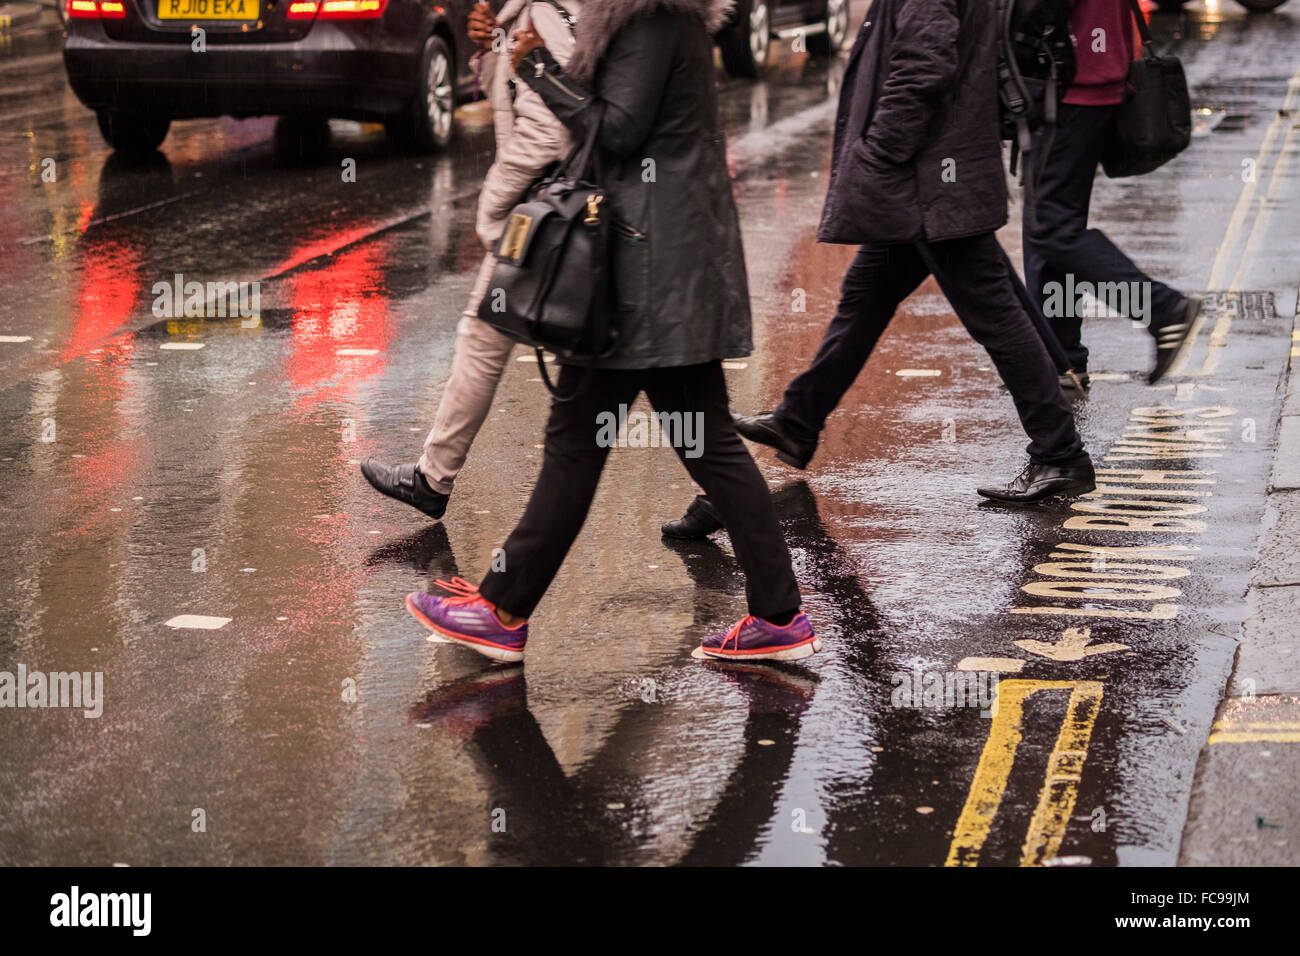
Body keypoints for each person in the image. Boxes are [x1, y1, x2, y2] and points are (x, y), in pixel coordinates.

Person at [404, 0, 819, 664]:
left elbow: (617, 130)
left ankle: (503, 611)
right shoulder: (647, 18)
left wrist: (532, 63)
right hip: (656, 265)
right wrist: (523, 52)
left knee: (579, 445)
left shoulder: (652, 17)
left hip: (643, 275)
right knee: (701, 443)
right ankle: (778, 616)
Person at [711, 0, 1097, 508]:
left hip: (929, 179)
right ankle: (798, 420)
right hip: (932, 177)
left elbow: (925, 64)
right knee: (865, 298)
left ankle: (1061, 454)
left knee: (995, 316)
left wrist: (881, 152)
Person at [360, 0, 582, 519]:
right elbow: (517, 91)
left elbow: (551, 127)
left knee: (632, 377)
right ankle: (433, 480)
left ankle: (435, 482)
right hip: (552, 210)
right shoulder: (525, 11)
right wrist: (490, 48)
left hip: (544, 214)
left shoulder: (544, 11)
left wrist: (494, 207)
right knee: (487, 337)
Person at [1023, 0, 1201, 391]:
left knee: (1051, 228)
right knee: (1055, 228)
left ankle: (1163, 308)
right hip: (1092, 79)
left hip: (1071, 85)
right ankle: (1062, 359)